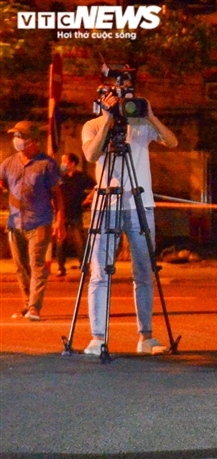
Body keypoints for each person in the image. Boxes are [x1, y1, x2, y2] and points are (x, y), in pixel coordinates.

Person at [81, 83, 178, 356]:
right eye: (115, 98)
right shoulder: (92, 126)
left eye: (126, 97)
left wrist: (151, 116)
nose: (122, 102)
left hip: (140, 204)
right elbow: (91, 155)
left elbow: (172, 142)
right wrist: (109, 120)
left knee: (145, 272)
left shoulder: (141, 125)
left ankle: (146, 336)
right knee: (100, 273)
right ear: (102, 100)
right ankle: (98, 337)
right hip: (106, 204)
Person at [1, 121, 66, 321]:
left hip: (39, 221)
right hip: (15, 224)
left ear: (33, 141)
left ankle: (35, 307)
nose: (16, 140)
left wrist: (59, 221)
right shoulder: (8, 163)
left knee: (37, 264)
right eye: (15, 136)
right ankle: (28, 303)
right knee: (21, 267)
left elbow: (57, 195)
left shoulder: (47, 164)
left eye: (20, 136)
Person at [55, 152, 95, 277]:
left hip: (76, 212)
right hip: (61, 214)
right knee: (61, 241)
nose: (62, 164)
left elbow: (96, 187)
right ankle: (61, 268)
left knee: (80, 241)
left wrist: (88, 198)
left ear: (72, 163)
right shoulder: (60, 177)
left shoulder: (82, 177)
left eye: (64, 161)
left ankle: (84, 266)